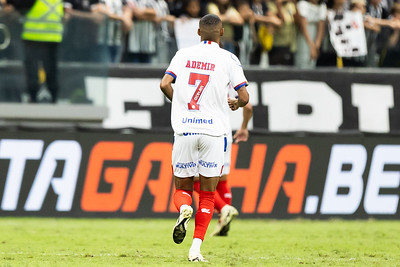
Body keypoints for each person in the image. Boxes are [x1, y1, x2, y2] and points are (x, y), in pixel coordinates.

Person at [159, 14, 249, 262]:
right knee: (208, 195)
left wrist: (180, 104)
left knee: (183, 188)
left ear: (198, 32)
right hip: (214, 133)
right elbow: (244, 98)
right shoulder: (229, 58)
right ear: (221, 33)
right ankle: (195, 249)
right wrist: (234, 104)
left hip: (185, 130)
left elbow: (165, 84)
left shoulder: (182, 54)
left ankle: (184, 208)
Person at [4, 0, 63, 103]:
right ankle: (50, 97)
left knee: (35, 70)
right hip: (51, 38)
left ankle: (36, 96)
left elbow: (17, 5)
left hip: (34, 38)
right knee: (48, 70)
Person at [294, 0, 327, 69]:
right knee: (303, 60)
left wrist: (316, 46)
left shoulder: (322, 6)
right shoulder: (303, 4)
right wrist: (311, 46)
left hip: (315, 37)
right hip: (305, 38)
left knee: (313, 61)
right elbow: (303, 27)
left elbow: (321, 27)